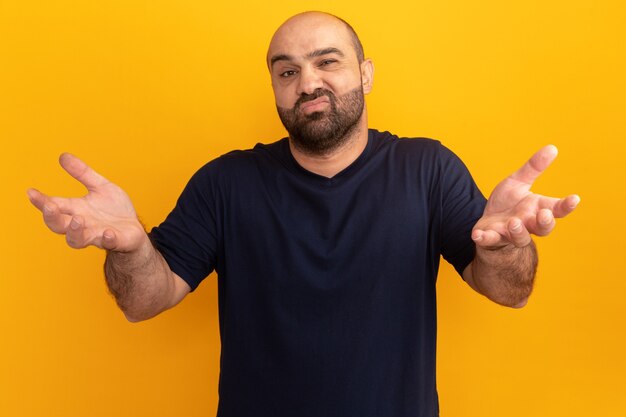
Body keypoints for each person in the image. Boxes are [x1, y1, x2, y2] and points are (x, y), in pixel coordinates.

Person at [27, 11, 579, 417]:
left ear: (365, 74)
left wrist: (508, 246)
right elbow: (146, 299)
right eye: (286, 71)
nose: (307, 82)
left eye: (326, 62)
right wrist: (130, 250)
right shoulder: (227, 182)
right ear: (274, 87)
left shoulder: (427, 168)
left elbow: (510, 291)